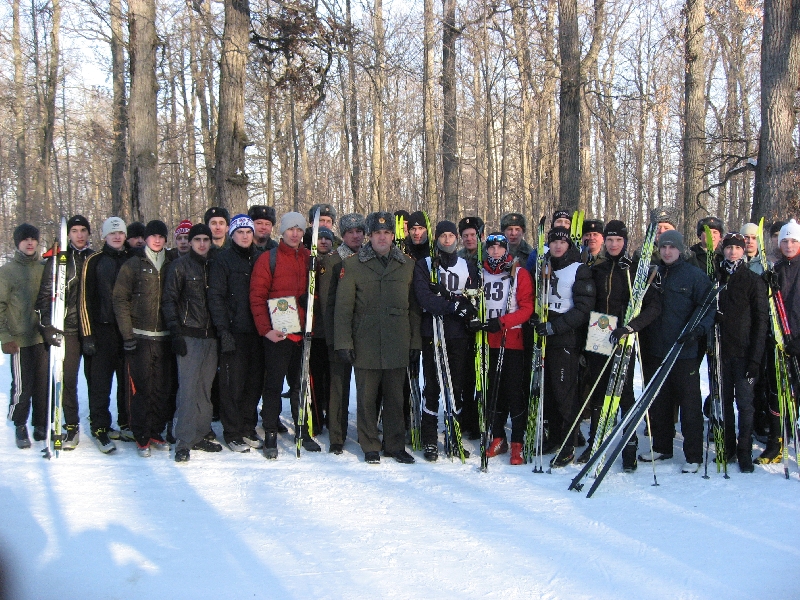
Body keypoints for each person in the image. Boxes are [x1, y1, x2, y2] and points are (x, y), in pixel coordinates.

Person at [334, 211, 422, 464]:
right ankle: (370, 444)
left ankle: (395, 445)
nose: (382, 237)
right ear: (369, 236)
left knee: (395, 397)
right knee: (367, 398)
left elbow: (414, 309)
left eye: (387, 233)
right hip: (366, 341)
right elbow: (343, 308)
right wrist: (344, 342)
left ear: (393, 236)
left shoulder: (407, 265)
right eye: (377, 233)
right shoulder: (352, 266)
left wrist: (415, 342)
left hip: (397, 341)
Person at [578, 220, 661, 470]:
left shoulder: (635, 270)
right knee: (598, 389)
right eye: (610, 240)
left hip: (624, 335)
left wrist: (631, 327)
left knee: (624, 392)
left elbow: (654, 307)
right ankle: (595, 442)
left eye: (618, 240)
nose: (614, 244)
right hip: (599, 332)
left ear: (625, 242)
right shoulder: (598, 269)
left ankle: (629, 445)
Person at [638, 230, 714, 474]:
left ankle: (693, 455)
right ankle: (662, 446)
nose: (667, 251)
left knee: (689, 405)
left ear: (680, 250)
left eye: (672, 247)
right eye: (663, 247)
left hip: (684, 351)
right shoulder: (654, 274)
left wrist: (698, 330)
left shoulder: (694, 276)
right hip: (656, 349)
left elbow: (709, 307)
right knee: (659, 402)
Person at [250, 211, 320, 458]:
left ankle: (302, 429)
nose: (295, 233)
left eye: (299, 229)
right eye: (291, 229)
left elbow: (317, 290)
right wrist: (266, 330)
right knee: (273, 385)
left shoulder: (309, 258)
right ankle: (270, 431)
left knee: (300, 386)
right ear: (282, 231)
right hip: (278, 334)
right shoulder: (268, 259)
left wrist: (311, 300)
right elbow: (257, 297)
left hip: (303, 333)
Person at [413, 220, 479, 461]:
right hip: (433, 332)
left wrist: (463, 307)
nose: (448, 240)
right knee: (432, 387)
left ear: (456, 239)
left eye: (451, 236)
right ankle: (430, 439)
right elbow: (424, 297)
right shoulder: (425, 264)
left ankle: (454, 435)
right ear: (437, 239)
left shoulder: (467, 265)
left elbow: (472, 297)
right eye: (443, 236)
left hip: (458, 334)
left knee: (456, 387)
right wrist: (452, 306)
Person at [534, 227, 595, 467]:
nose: (558, 246)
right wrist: (537, 320)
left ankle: (569, 443)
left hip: (566, 339)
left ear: (569, 245)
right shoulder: (544, 266)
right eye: (554, 242)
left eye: (562, 242)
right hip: (545, 338)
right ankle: (555, 437)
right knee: (548, 392)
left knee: (565, 394)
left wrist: (556, 327)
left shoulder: (579, 269)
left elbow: (583, 309)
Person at [113, 220, 174, 457]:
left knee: (161, 388)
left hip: (165, 337)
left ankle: (156, 431)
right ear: (146, 238)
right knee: (142, 388)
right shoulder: (133, 264)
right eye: (153, 236)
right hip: (140, 336)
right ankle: (141, 434)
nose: (157, 240)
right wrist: (127, 334)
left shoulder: (171, 262)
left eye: (161, 236)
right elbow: (120, 299)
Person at [162, 223, 223, 461]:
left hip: (211, 336)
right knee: (188, 389)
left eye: (205, 240)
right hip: (189, 334)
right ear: (191, 242)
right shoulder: (180, 266)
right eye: (197, 239)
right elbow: (169, 300)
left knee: (205, 389)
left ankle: (200, 433)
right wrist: (176, 332)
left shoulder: (215, 265)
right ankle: (183, 440)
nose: (201, 244)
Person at [36, 214, 95, 450]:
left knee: (97, 382)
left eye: (83, 230)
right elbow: (44, 296)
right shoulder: (59, 260)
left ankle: (100, 424)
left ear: (89, 233)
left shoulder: (95, 258)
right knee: (68, 380)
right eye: (75, 231)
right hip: (68, 329)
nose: (79, 235)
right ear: (68, 234)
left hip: (92, 330)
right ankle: (71, 425)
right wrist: (47, 325)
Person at [209, 214, 265, 452]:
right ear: (232, 234)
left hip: (258, 330)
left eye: (248, 232)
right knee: (233, 384)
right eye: (240, 232)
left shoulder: (261, 258)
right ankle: (232, 431)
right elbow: (216, 297)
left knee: (254, 382)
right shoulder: (223, 259)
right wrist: (223, 330)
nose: (244, 236)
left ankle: (247, 426)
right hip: (234, 330)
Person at [714, 232, 768, 473]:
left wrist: (755, 358)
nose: (732, 252)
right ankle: (728, 447)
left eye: (737, 248)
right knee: (724, 402)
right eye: (729, 248)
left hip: (745, 353)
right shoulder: (718, 278)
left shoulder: (752, 280)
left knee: (745, 404)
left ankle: (744, 449)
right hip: (722, 352)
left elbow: (761, 320)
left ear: (743, 251)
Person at [79, 217, 133, 452]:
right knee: (100, 383)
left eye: (120, 233)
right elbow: (84, 299)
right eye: (112, 233)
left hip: (126, 330)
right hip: (102, 330)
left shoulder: (132, 259)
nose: (117, 236)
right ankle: (100, 427)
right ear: (104, 236)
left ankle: (126, 422)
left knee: (125, 380)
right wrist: (87, 334)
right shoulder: (94, 260)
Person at [481, 233, 534, 464]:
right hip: (487, 340)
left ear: (506, 250)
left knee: (514, 392)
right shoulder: (480, 272)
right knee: (493, 391)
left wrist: (503, 322)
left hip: (511, 339)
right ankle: (498, 436)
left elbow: (527, 308)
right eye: (491, 248)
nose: (495, 252)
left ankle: (517, 442)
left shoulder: (519, 273)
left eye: (499, 248)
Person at [757, 219, 800, 464]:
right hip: (779, 341)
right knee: (777, 393)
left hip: (798, 340)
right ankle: (776, 442)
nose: (789, 245)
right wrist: (765, 285)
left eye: (794, 241)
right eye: (785, 241)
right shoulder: (775, 270)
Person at [322, 213, 365, 454]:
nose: (355, 236)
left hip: (364, 333)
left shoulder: (368, 257)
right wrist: (334, 339)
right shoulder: (333, 261)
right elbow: (328, 305)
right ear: (343, 235)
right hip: (340, 335)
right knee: (338, 387)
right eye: (350, 232)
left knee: (366, 387)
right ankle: (337, 435)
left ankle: (367, 431)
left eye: (359, 231)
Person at [1, 224, 47, 449]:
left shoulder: (43, 268)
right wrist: (5, 336)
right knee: (22, 386)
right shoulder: (7, 271)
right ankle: (20, 424)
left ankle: (40, 424)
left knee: (42, 385)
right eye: (25, 239)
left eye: (33, 239)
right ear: (17, 243)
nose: (29, 243)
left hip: (41, 337)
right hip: (19, 340)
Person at [308, 226, 334, 435]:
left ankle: (333, 417)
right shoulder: (308, 262)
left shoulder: (337, 262)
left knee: (332, 379)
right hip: (314, 330)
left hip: (332, 330)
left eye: (327, 238)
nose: (323, 242)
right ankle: (316, 419)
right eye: (319, 238)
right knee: (315, 377)